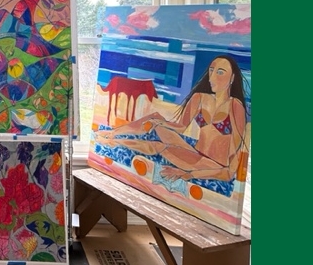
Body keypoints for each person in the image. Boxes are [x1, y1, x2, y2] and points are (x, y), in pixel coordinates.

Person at [94, 54, 248, 183]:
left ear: (232, 78)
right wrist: (160, 122)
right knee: (155, 119)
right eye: (211, 70)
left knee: (159, 146)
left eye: (220, 72)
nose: (212, 77)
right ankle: (113, 133)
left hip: (210, 164)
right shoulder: (199, 98)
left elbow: (229, 170)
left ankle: (113, 143)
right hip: (193, 151)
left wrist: (190, 174)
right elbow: (181, 127)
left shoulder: (235, 106)